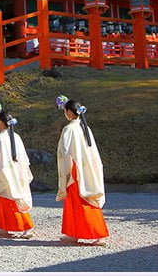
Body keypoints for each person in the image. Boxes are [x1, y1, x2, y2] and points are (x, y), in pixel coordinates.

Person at [55, 95, 109, 246]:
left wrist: (64, 169)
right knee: (77, 201)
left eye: (66, 111)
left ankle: (96, 233)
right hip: (86, 168)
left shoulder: (69, 129)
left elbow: (64, 152)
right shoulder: (84, 127)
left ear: (70, 113)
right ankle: (73, 232)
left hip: (74, 170)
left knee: (81, 201)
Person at [0, 103, 34, 239]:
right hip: (17, 172)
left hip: (5, 172)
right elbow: (24, 158)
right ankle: (3, 226)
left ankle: (25, 226)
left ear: (1, 122)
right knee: (14, 198)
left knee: (11, 201)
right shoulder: (16, 137)